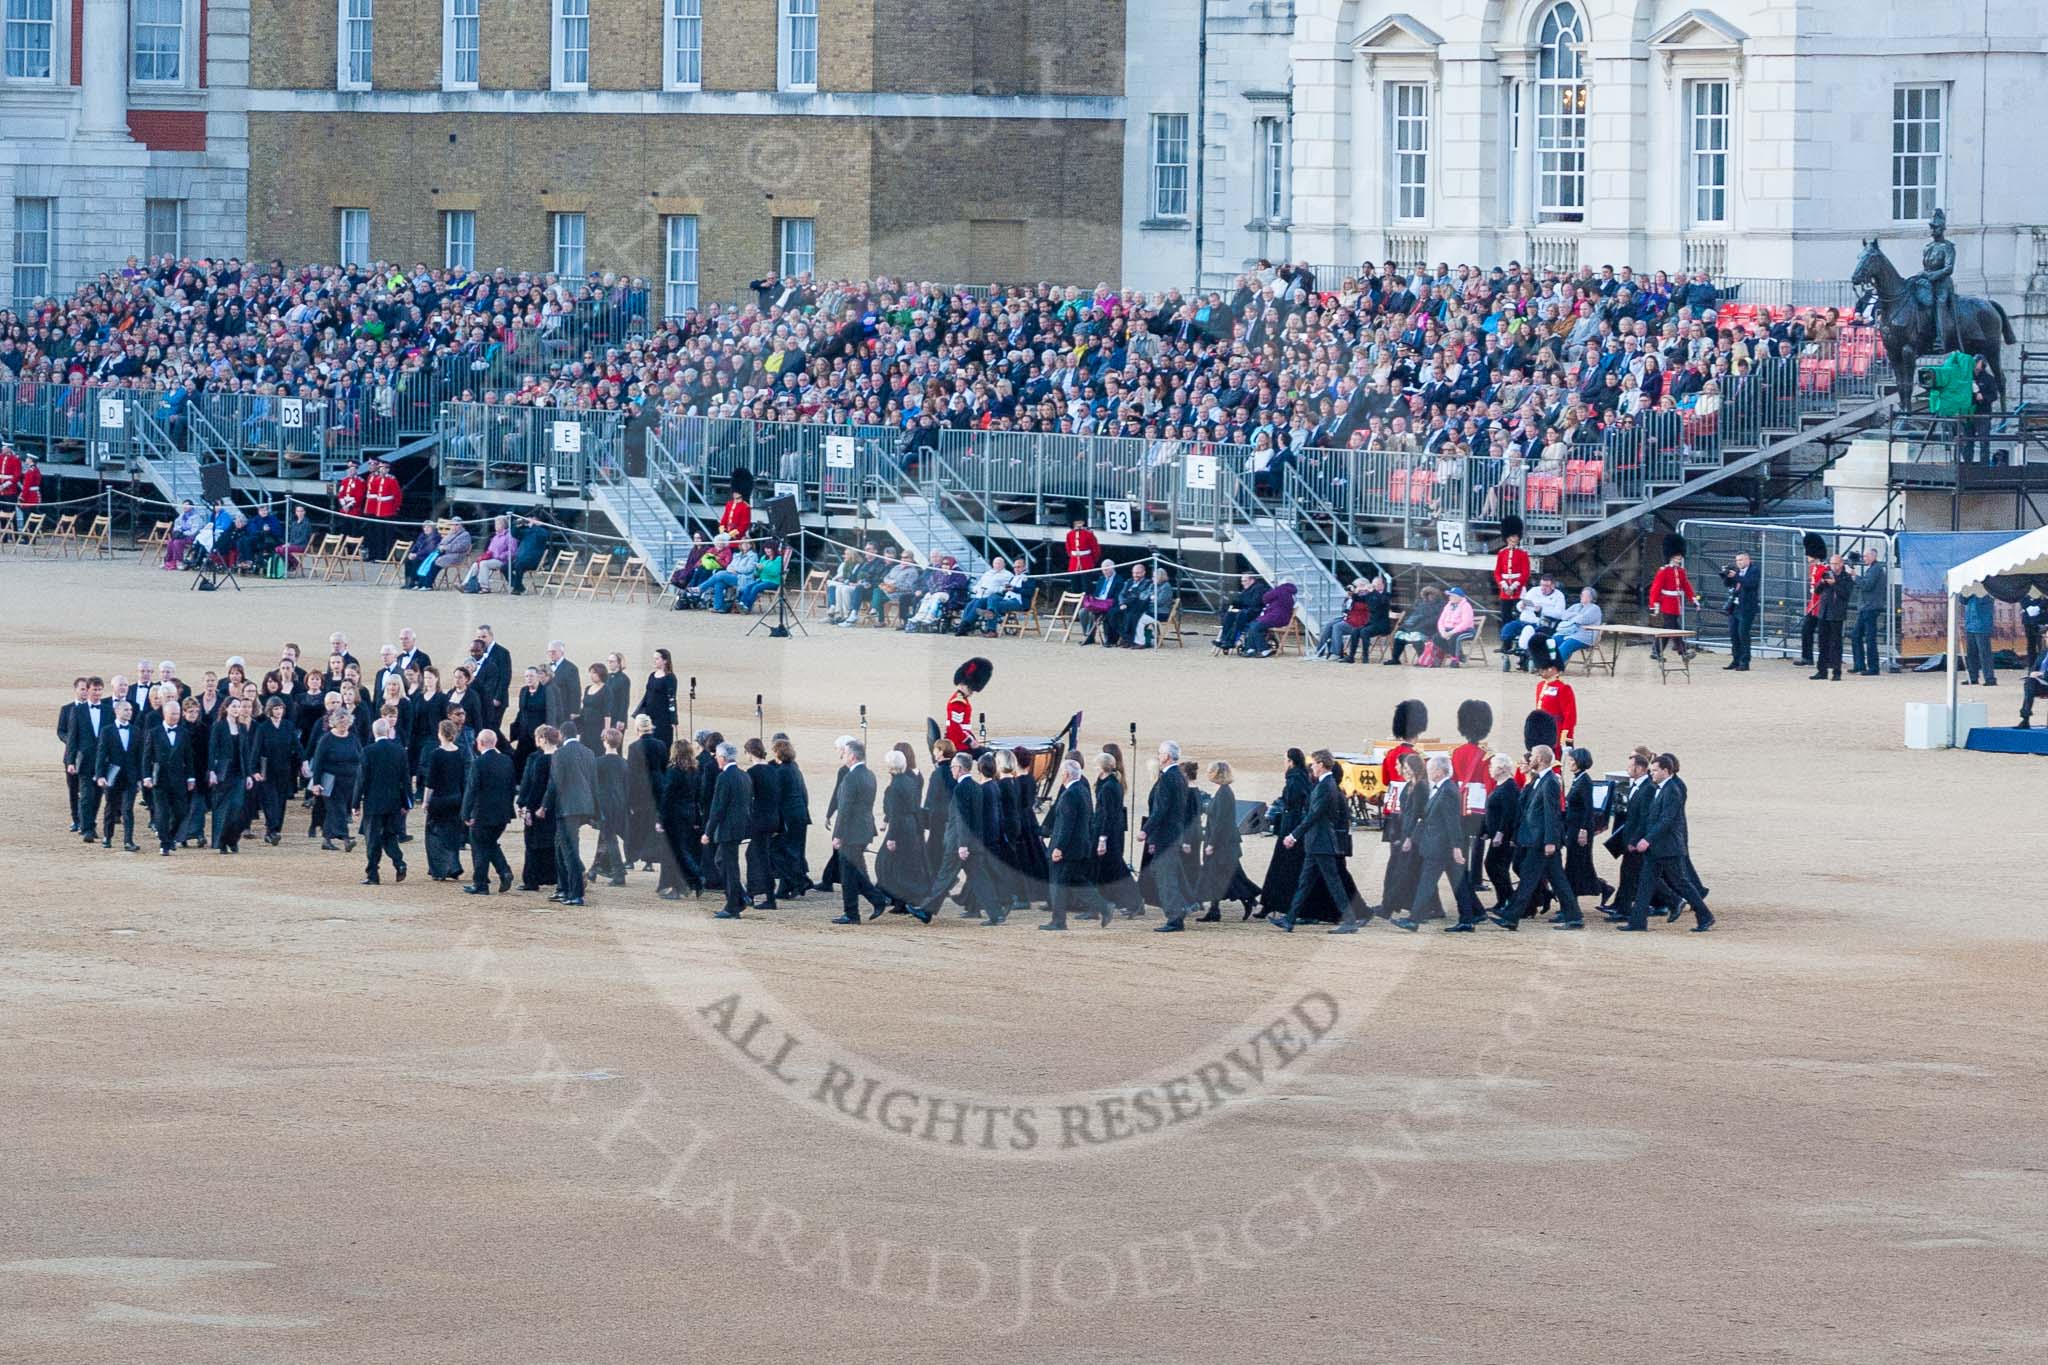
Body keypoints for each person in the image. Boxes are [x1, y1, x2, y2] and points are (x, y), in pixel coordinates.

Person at [1492, 735, 1583, 931]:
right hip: (1537, 838)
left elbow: (1552, 814)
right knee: (1557, 880)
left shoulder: (1549, 781)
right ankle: (1574, 916)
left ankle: (1511, 916)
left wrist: (1550, 841)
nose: (1529, 759)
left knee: (1528, 878)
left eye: (1532, 756)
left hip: (1541, 840)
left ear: (1540, 759)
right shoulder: (1540, 780)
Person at [1272, 749, 1364, 933]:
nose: (1311, 767)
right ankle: (1289, 919)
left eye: (1314, 763)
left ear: (1321, 764)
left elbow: (1314, 816)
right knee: (1305, 883)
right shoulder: (1326, 784)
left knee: (1333, 882)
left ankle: (1350, 920)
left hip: (1321, 842)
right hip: (1317, 842)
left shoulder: (1325, 785)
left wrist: (1294, 835)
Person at [1620, 753, 1714, 932]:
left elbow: (1666, 821)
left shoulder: (1672, 790)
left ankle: (1705, 916)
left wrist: (1647, 839)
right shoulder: (1661, 788)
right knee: (1645, 885)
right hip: (1657, 849)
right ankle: (1637, 922)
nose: (1652, 774)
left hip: (1669, 848)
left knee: (1682, 884)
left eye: (1655, 771)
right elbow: (1650, 819)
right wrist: (1636, 840)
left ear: (1666, 771)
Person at [1396, 755, 1485, 932]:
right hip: (1440, 845)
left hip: (1441, 846)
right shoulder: (1442, 788)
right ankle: (1469, 918)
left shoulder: (1448, 790)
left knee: (1427, 883)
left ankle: (1414, 919)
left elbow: (1452, 822)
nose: (1428, 772)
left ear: (1439, 771)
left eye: (1430, 769)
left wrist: (1456, 847)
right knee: (1457, 884)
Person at [827, 740, 890, 924]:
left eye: (845, 753)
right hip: (863, 829)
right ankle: (875, 900)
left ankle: (853, 912)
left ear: (853, 756)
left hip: (851, 832)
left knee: (849, 874)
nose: (843, 756)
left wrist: (838, 835)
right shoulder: (869, 774)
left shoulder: (851, 777)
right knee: (854, 870)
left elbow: (845, 808)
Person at [1043, 759, 1106, 930]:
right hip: (1080, 846)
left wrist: (1059, 848)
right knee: (1076, 880)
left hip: (1068, 848)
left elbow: (1066, 824)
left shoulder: (1070, 794)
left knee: (1058, 884)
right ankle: (1103, 906)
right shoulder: (1082, 790)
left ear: (1065, 774)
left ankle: (1058, 921)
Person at [1145, 742, 1201, 931]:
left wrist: (1146, 830)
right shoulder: (1178, 776)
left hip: (1166, 835)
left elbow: (1160, 810)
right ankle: (1188, 903)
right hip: (1174, 834)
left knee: (1165, 877)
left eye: (1160, 753)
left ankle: (1175, 917)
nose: (1158, 756)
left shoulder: (1169, 778)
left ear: (1167, 756)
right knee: (1173, 873)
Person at [542, 722, 597, 906]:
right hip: (584, 806)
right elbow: (594, 782)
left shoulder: (560, 754)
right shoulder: (589, 752)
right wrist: (596, 811)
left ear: (562, 735)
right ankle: (564, 888)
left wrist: (544, 806)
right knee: (560, 846)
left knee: (569, 851)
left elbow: (554, 784)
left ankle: (575, 893)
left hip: (567, 808)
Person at [1198, 761, 1260, 919]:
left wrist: (1211, 843)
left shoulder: (1224, 794)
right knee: (1222, 876)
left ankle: (1246, 900)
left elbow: (1220, 822)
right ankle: (1216, 909)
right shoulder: (1223, 792)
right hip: (1224, 843)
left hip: (1222, 844)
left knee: (1227, 876)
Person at [874, 747, 930, 917]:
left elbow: (896, 814)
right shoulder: (909, 781)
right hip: (911, 826)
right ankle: (900, 901)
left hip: (901, 830)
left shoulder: (895, 786)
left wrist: (892, 837)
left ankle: (913, 901)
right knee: (902, 867)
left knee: (887, 865)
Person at [357, 717, 413, 884]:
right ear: (388, 732)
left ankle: (373, 874)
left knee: (372, 839)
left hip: (374, 803)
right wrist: (407, 802)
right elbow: (406, 779)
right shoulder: (399, 751)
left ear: (374, 732)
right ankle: (399, 863)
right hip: (394, 802)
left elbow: (362, 780)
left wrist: (354, 803)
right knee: (390, 836)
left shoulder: (368, 751)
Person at [461, 730, 516, 895]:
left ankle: (481, 884)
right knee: (489, 844)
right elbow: (511, 787)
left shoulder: (478, 763)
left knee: (480, 846)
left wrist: (465, 813)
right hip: (502, 813)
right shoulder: (506, 761)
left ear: (480, 743)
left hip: (482, 813)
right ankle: (503, 872)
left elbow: (471, 790)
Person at [143, 697, 200, 855]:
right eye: (173, 713)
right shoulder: (154, 733)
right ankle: (165, 843)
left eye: (178, 713)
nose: (176, 716)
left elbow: (188, 757)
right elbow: (146, 757)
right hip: (159, 779)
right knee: (162, 812)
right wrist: (146, 776)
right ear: (164, 713)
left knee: (181, 811)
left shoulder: (184, 733)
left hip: (179, 779)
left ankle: (171, 836)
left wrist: (191, 778)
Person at [1091, 750, 1143, 919]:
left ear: (1102, 768)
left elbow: (1108, 814)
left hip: (1107, 834)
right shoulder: (1109, 783)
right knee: (1109, 869)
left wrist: (1102, 839)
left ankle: (1133, 901)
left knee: (1116, 869)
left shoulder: (1108, 787)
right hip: (1108, 832)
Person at [703, 741, 752, 918]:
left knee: (729, 866)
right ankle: (740, 897)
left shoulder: (724, 777)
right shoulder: (744, 775)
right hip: (740, 827)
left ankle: (733, 905)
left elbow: (718, 807)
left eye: (717, 756)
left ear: (722, 758)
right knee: (722, 861)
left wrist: (708, 832)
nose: (716, 759)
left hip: (727, 829)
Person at [653, 737, 705, 900]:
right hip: (689, 814)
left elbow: (667, 797)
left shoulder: (674, 771)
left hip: (675, 816)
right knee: (682, 849)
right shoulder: (694, 770)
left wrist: (660, 819)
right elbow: (698, 796)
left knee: (677, 852)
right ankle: (682, 886)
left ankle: (694, 879)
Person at [1562, 747, 1612, 905]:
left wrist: (1583, 830)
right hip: (1573, 827)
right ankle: (1602, 888)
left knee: (1575, 865)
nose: (1569, 763)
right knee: (1580, 866)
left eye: (1571, 760)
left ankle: (1572, 903)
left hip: (1579, 830)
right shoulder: (1578, 779)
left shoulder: (1584, 781)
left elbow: (1588, 808)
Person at [421, 720, 469, 881]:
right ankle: (454, 865)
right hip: (456, 798)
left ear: (440, 734)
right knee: (453, 833)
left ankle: (440, 869)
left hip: (439, 800)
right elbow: (463, 778)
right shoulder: (461, 752)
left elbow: (431, 781)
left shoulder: (436, 754)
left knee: (434, 835)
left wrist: (426, 801)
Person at [92, 700, 142, 852]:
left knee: (128, 809)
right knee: (111, 807)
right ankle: (107, 836)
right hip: (113, 775)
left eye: (131, 710)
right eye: (126, 710)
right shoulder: (107, 731)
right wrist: (100, 775)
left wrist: (140, 778)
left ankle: (128, 840)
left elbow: (140, 757)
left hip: (131, 777)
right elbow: (101, 754)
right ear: (117, 711)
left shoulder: (136, 730)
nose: (129, 712)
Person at [207, 697, 254, 853]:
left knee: (237, 809)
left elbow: (246, 753)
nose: (236, 709)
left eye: (238, 706)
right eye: (233, 706)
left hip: (239, 773)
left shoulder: (242, 727)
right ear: (226, 708)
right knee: (222, 810)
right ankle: (221, 842)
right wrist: (212, 771)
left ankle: (232, 840)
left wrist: (248, 775)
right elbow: (212, 749)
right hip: (223, 774)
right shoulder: (218, 726)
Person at [252, 696, 300, 845]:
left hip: (284, 769)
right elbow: (256, 750)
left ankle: (274, 831)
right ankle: (272, 830)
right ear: (269, 710)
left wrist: (303, 762)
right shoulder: (263, 728)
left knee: (280, 802)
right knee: (270, 801)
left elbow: (297, 746)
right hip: (267, 770)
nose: (279, 711)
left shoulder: (288, 726)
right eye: (276, 708)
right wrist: (254, 770)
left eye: (281, 708)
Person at [516, 723, 557, 892]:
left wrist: (526, 807)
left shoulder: (538, 760)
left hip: (538, 807)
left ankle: (532, 880)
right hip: (555, 807)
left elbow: (534, 786)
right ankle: (552, 876)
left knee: (532, 843)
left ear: (542, 739)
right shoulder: (561, 757)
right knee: (553, 844)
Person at [742, 737, 782, 910]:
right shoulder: (773, 770)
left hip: (760, 820)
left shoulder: (753, 772)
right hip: (773, 819)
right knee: (755, 854)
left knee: (760, 857)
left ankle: (767, 896)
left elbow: (748, 798)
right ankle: (753, 892)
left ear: (750, 753)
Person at [771, 736, 813, 899]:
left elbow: (777, 798)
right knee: (794, 852)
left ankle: (800, 880)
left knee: (780, 851)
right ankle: (787, 887)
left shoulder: (781, 772)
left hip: (789, 817)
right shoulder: (794, 768)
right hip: (800, 815)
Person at [1646, 534, 1700, 660]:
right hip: (1666, 604)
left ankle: (1656, 651)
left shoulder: (1681, 571)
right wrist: (1653, 605)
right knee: (1674, 628)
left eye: (1680, 556)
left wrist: (1694, 600)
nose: (1679, 558)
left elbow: (1687, 587)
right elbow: (1655, 589)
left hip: (1676, 604)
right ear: (1671, 556)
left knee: (1667, 628)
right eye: (1677, 556)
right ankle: (1683, 652)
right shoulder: (1664, 571)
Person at [1478, 754, 1520, 913]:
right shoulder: (1500, 785)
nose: (1489, 769)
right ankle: (1503, 900)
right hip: (1496, 835)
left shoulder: (1510, 787)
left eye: (1492, 766)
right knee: (1493, 866)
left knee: (1497, 867)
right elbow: (1491, 811)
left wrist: (1500, 833)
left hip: (1505, 837)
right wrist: (1485, 830)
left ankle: (1508, 900)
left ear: (1502, 768)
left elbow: (1509, 814)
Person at [1812, 554, 1852, 682]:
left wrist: (1835, 584)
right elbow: (1817, 591)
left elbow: (1845, 594)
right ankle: (1821, 671)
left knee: (1835, 644)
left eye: (1835, 563)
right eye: (1831, 563)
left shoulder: (1846, 577)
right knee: (1822, 643)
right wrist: (1822, 582)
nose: (1833, 566)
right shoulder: (1827, 573)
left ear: (1841, 564)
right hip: (1824, 612)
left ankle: (1836, 672)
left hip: (1836, 614)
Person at [1718, 553, 1760, 671]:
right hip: (1734, 607)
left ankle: (1744, 662)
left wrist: (1736, 576)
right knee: (1734, 634)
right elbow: (1728, 584)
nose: (1739, 562)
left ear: (1748, 560)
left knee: (1743, 634)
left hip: (1747, 608)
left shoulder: (1754, 570)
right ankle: (1736, 660)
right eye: (1737, 560)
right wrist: (1727, 576)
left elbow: (1750, 584)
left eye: (1741, 560)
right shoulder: (1736, 570)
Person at [1850, 549, 1888, 676]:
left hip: (1870, 607)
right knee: (1856, 635)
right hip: (1866, 607)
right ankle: (1859, 664)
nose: (1864, 558)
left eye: (1866, 556)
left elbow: (1867, 585)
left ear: (1873, 556)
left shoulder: (1876, 569)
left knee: (1870, 638)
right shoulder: (1873, 569)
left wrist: (1856, 578)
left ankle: (1873, 667)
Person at [1238, 581, 1297, 657]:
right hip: (1283, 618)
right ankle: (1252, 648)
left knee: (1255, 626)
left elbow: (1265, 598)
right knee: (1255, 625)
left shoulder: (1279, 590)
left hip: (1275, 617)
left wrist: (1273, 590)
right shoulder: (1292, 593)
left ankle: (1261, 649)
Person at [1214, 574, 1269, 654]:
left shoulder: (1259, 589)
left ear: (1252, 580)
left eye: (1245, 581)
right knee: (1229, 615)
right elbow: (1241, 601)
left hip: (1254, 612)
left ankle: (1231, 641)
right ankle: (1224, 640)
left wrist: (1240, 603)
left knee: (1239, 616)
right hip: (1246, 611)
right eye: (1242, 581)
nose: (1243, 583)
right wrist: (1232, 602)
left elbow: (1254, 603)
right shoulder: (1247, 590)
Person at [1492, 515, 1530, 630]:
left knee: (1519, 616)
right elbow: (1497, 572)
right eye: (1511, 536)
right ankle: (1506, 644)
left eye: (1515, 536)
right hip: (1505, 590)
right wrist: (1504, 585)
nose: (1513, 539)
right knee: (1505, 617)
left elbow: (1525, 573)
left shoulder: (1522, 553)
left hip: (1518, 590)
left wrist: (1513, 586)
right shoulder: (1502, 553)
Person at [1554, 588, 1604, 665]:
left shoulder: (1595, 608)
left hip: (1585, 637)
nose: (1582, 596)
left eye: (1585, 595)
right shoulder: (1576, 606)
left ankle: (1555, 666)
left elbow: (1583, 620)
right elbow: (1563, 616)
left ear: (1591, 598)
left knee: (1568, 644)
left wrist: (1572, 617)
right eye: (1582, 594)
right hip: (1569, 633)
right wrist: (1576, 615)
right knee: (1554, 640)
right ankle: (1545, 664)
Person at [1432, 586, 1477, 665]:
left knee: (1454, 637)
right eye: (1449, 595)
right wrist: (1443, 632)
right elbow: (1441, 620)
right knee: (1436, 637)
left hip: (1466, 630)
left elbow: (1465, 623)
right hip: (1448, 629)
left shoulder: (1466, 606)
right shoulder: (1448, 606)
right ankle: (1459, 656)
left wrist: (1451, 632)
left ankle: (1455, 659)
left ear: (1459, 597)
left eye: (1452, 595)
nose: (1450, 597)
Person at [1961, 590, 1997, 686]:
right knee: (1971, 654)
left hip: (1982, 626)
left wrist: (1972, 592)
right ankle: (1973, 677)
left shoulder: (1986, 590)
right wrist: (1964, 591)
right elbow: (1962, 600)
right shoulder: (1969, 590)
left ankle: (1990, 678)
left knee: (1984, 654)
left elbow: (1984, 604)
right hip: (1970, 625)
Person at [2016, 645, 2048, 730]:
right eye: (2046, 637)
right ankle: (2025, 717)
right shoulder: (2044, 652)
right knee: (2030, 683)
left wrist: (2043, 674)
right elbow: (2034, 667)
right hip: (2041, 683)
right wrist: (2032, 674)